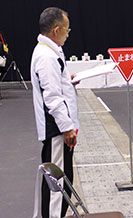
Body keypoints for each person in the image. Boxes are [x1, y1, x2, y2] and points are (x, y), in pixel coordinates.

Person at [31, 7, 78, 217]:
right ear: (56, 30)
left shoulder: (50, 52)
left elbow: (55, 86)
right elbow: (51, 97)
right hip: (56, 130)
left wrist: (68, 81)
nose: (68, 34)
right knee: (56, 186)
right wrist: (67, 128)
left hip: (58, 129)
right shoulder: (46, 56)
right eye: (67, 30)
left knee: (63, 180)